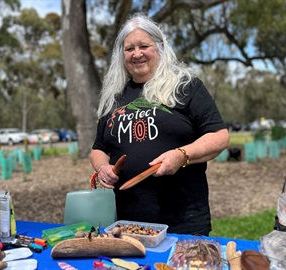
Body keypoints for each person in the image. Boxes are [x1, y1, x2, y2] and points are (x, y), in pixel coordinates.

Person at [90, 13, 229, 235]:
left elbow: (219, 136)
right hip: (127, 223)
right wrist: (102, 168)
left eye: (144, 46)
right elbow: (99, 148)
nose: (137, 54)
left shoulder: (185, 85)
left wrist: (182, 155)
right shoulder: (114, 96)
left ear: (160, 47)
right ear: (121, 54)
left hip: (183, 222)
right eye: (129, 49)